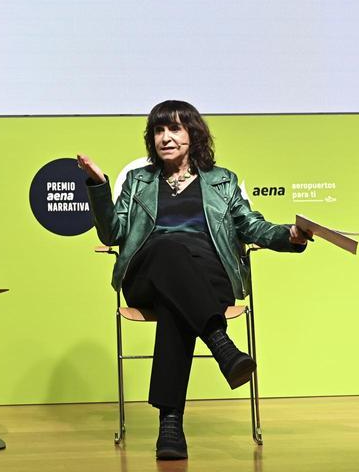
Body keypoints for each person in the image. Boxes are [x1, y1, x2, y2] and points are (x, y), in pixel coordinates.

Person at [77, 100, 310, 461]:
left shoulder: (222, 181)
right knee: (169, 251)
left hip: (207, 276)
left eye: (175, 129)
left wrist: (288, 235)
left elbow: (251, 226)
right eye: (158, 130)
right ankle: (221, 344)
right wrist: (97, 186)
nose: (165, 138)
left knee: (178, 302)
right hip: (147, 275)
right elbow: (113, 233)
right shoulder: (139, 181)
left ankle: (170, 422)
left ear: (193, 134)